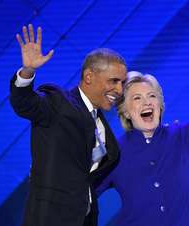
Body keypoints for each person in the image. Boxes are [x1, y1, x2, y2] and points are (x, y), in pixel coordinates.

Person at [96, 39, 189, 226]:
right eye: (137, 98)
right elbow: (81, 192)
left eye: (152, 96)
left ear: (160, 106)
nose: (147, 102)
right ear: (125, 111)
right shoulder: (113, 153)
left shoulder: (181, 137)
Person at [10, 24, 127, 226]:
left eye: (122, 83)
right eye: (114, 81)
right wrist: (28, 70)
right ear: (89, 76)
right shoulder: (58, 102)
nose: (119, 89)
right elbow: (25, 103)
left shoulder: (100, 124)